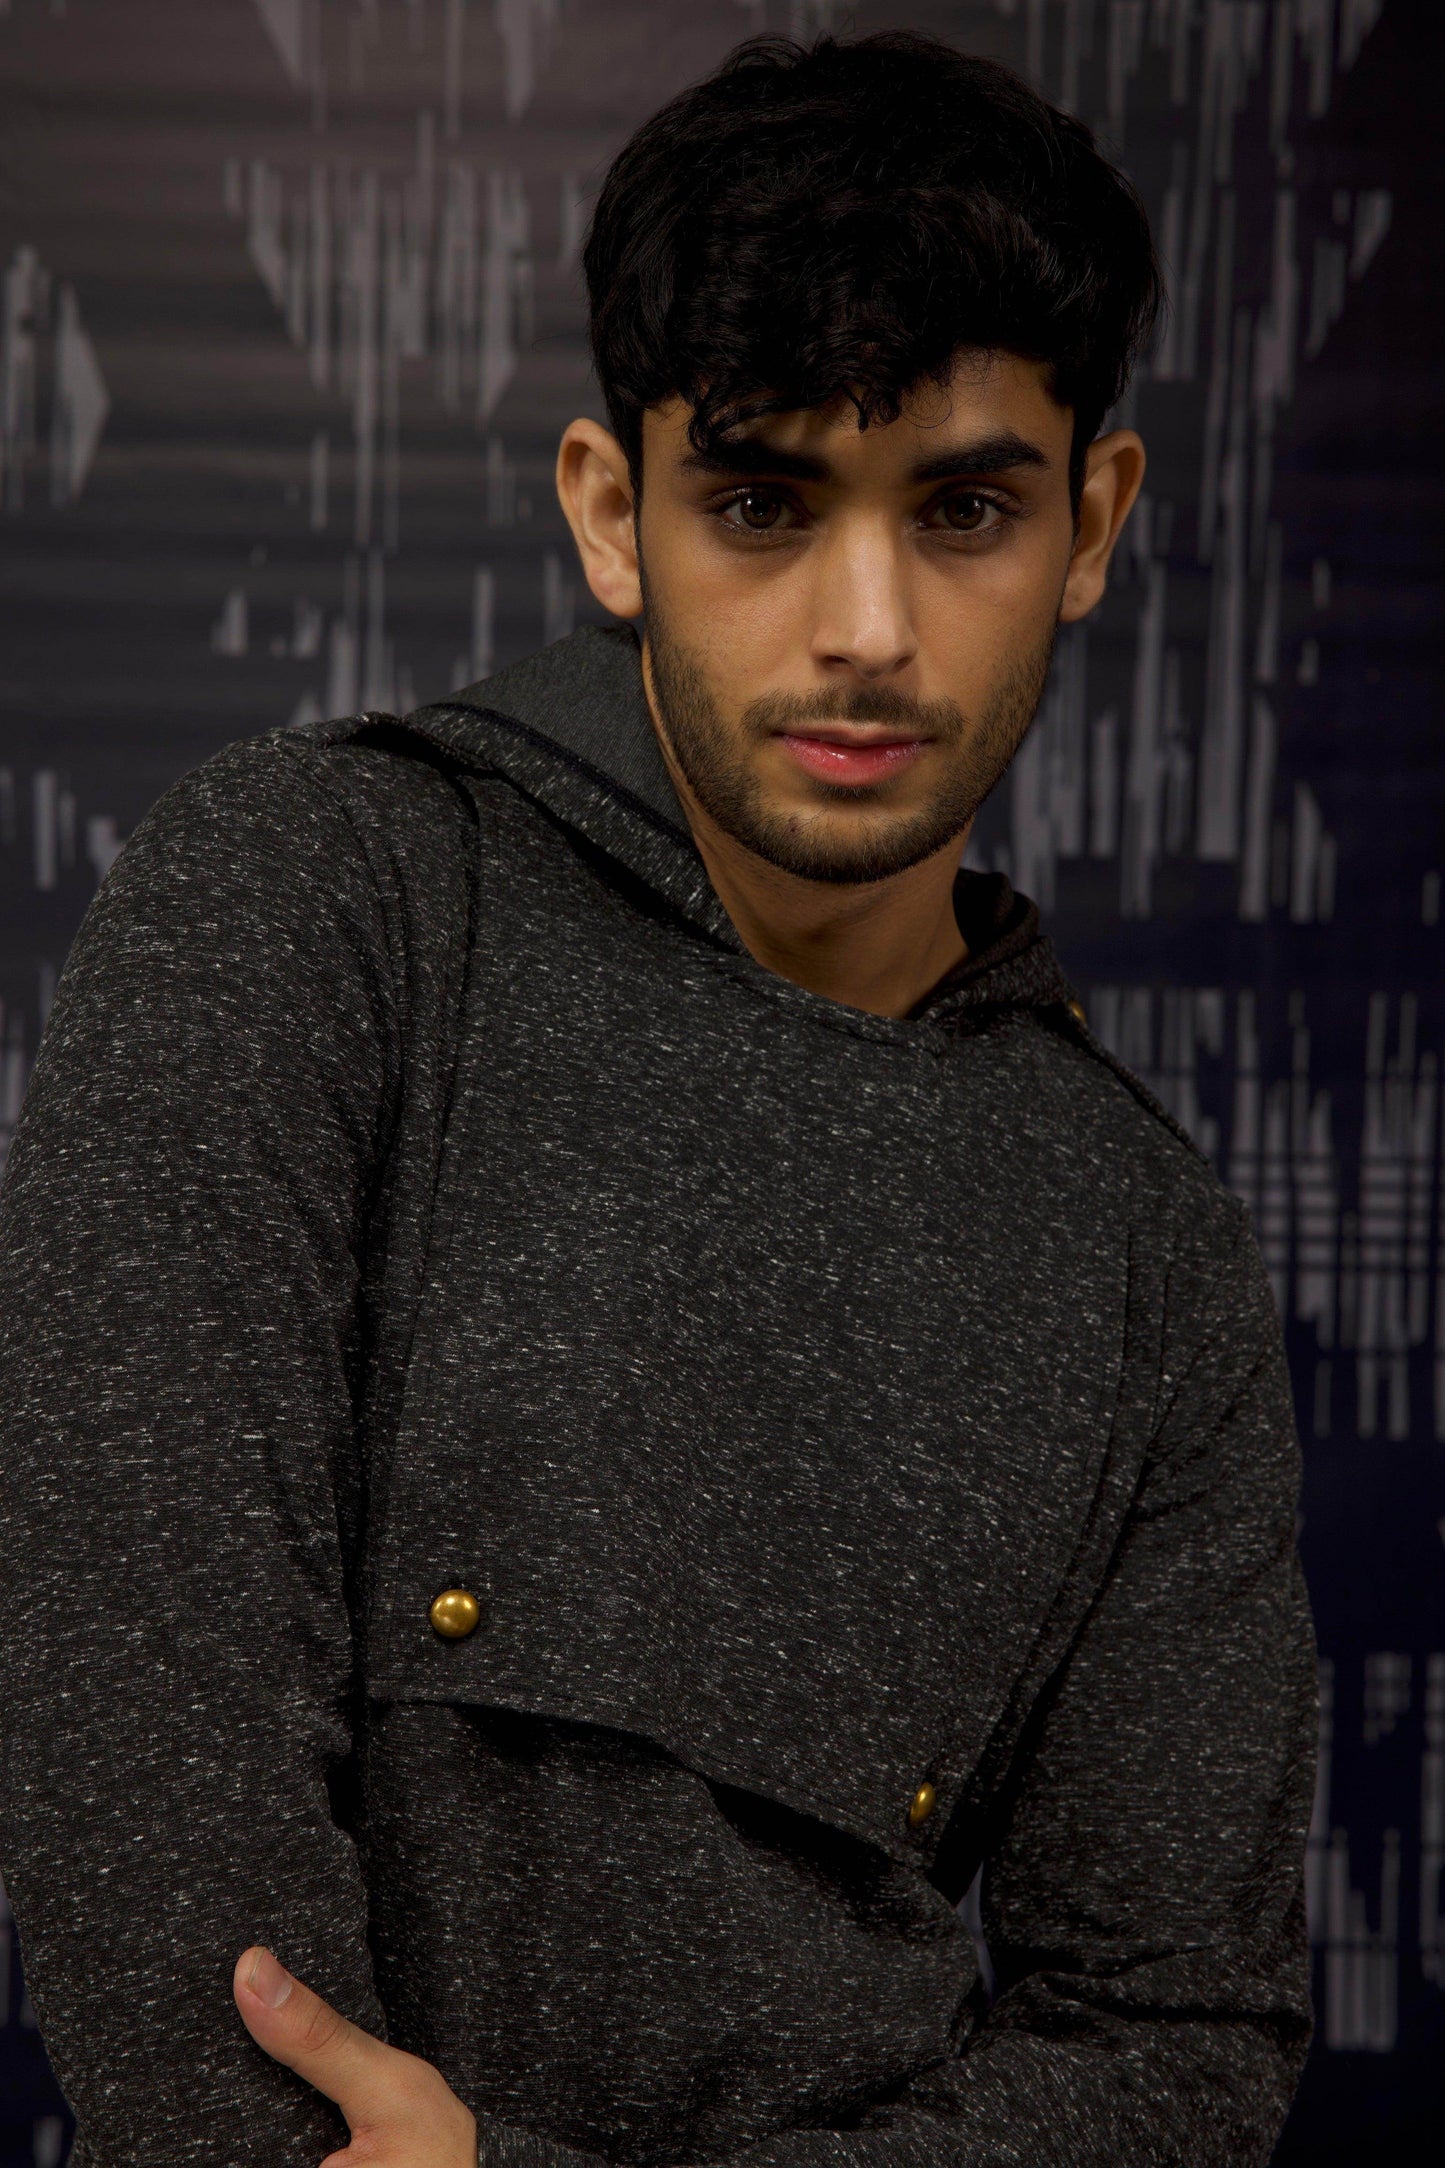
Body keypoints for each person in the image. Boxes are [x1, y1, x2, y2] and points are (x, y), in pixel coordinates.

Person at [0, 30, 1316, 2168]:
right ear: (616, 515)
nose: (866, 630)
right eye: (763, 503)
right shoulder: (317, 901)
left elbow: (1176, 2044)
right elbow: (146, 1791)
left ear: (1093, 524)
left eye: (964, 509)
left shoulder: (1141, 1244)